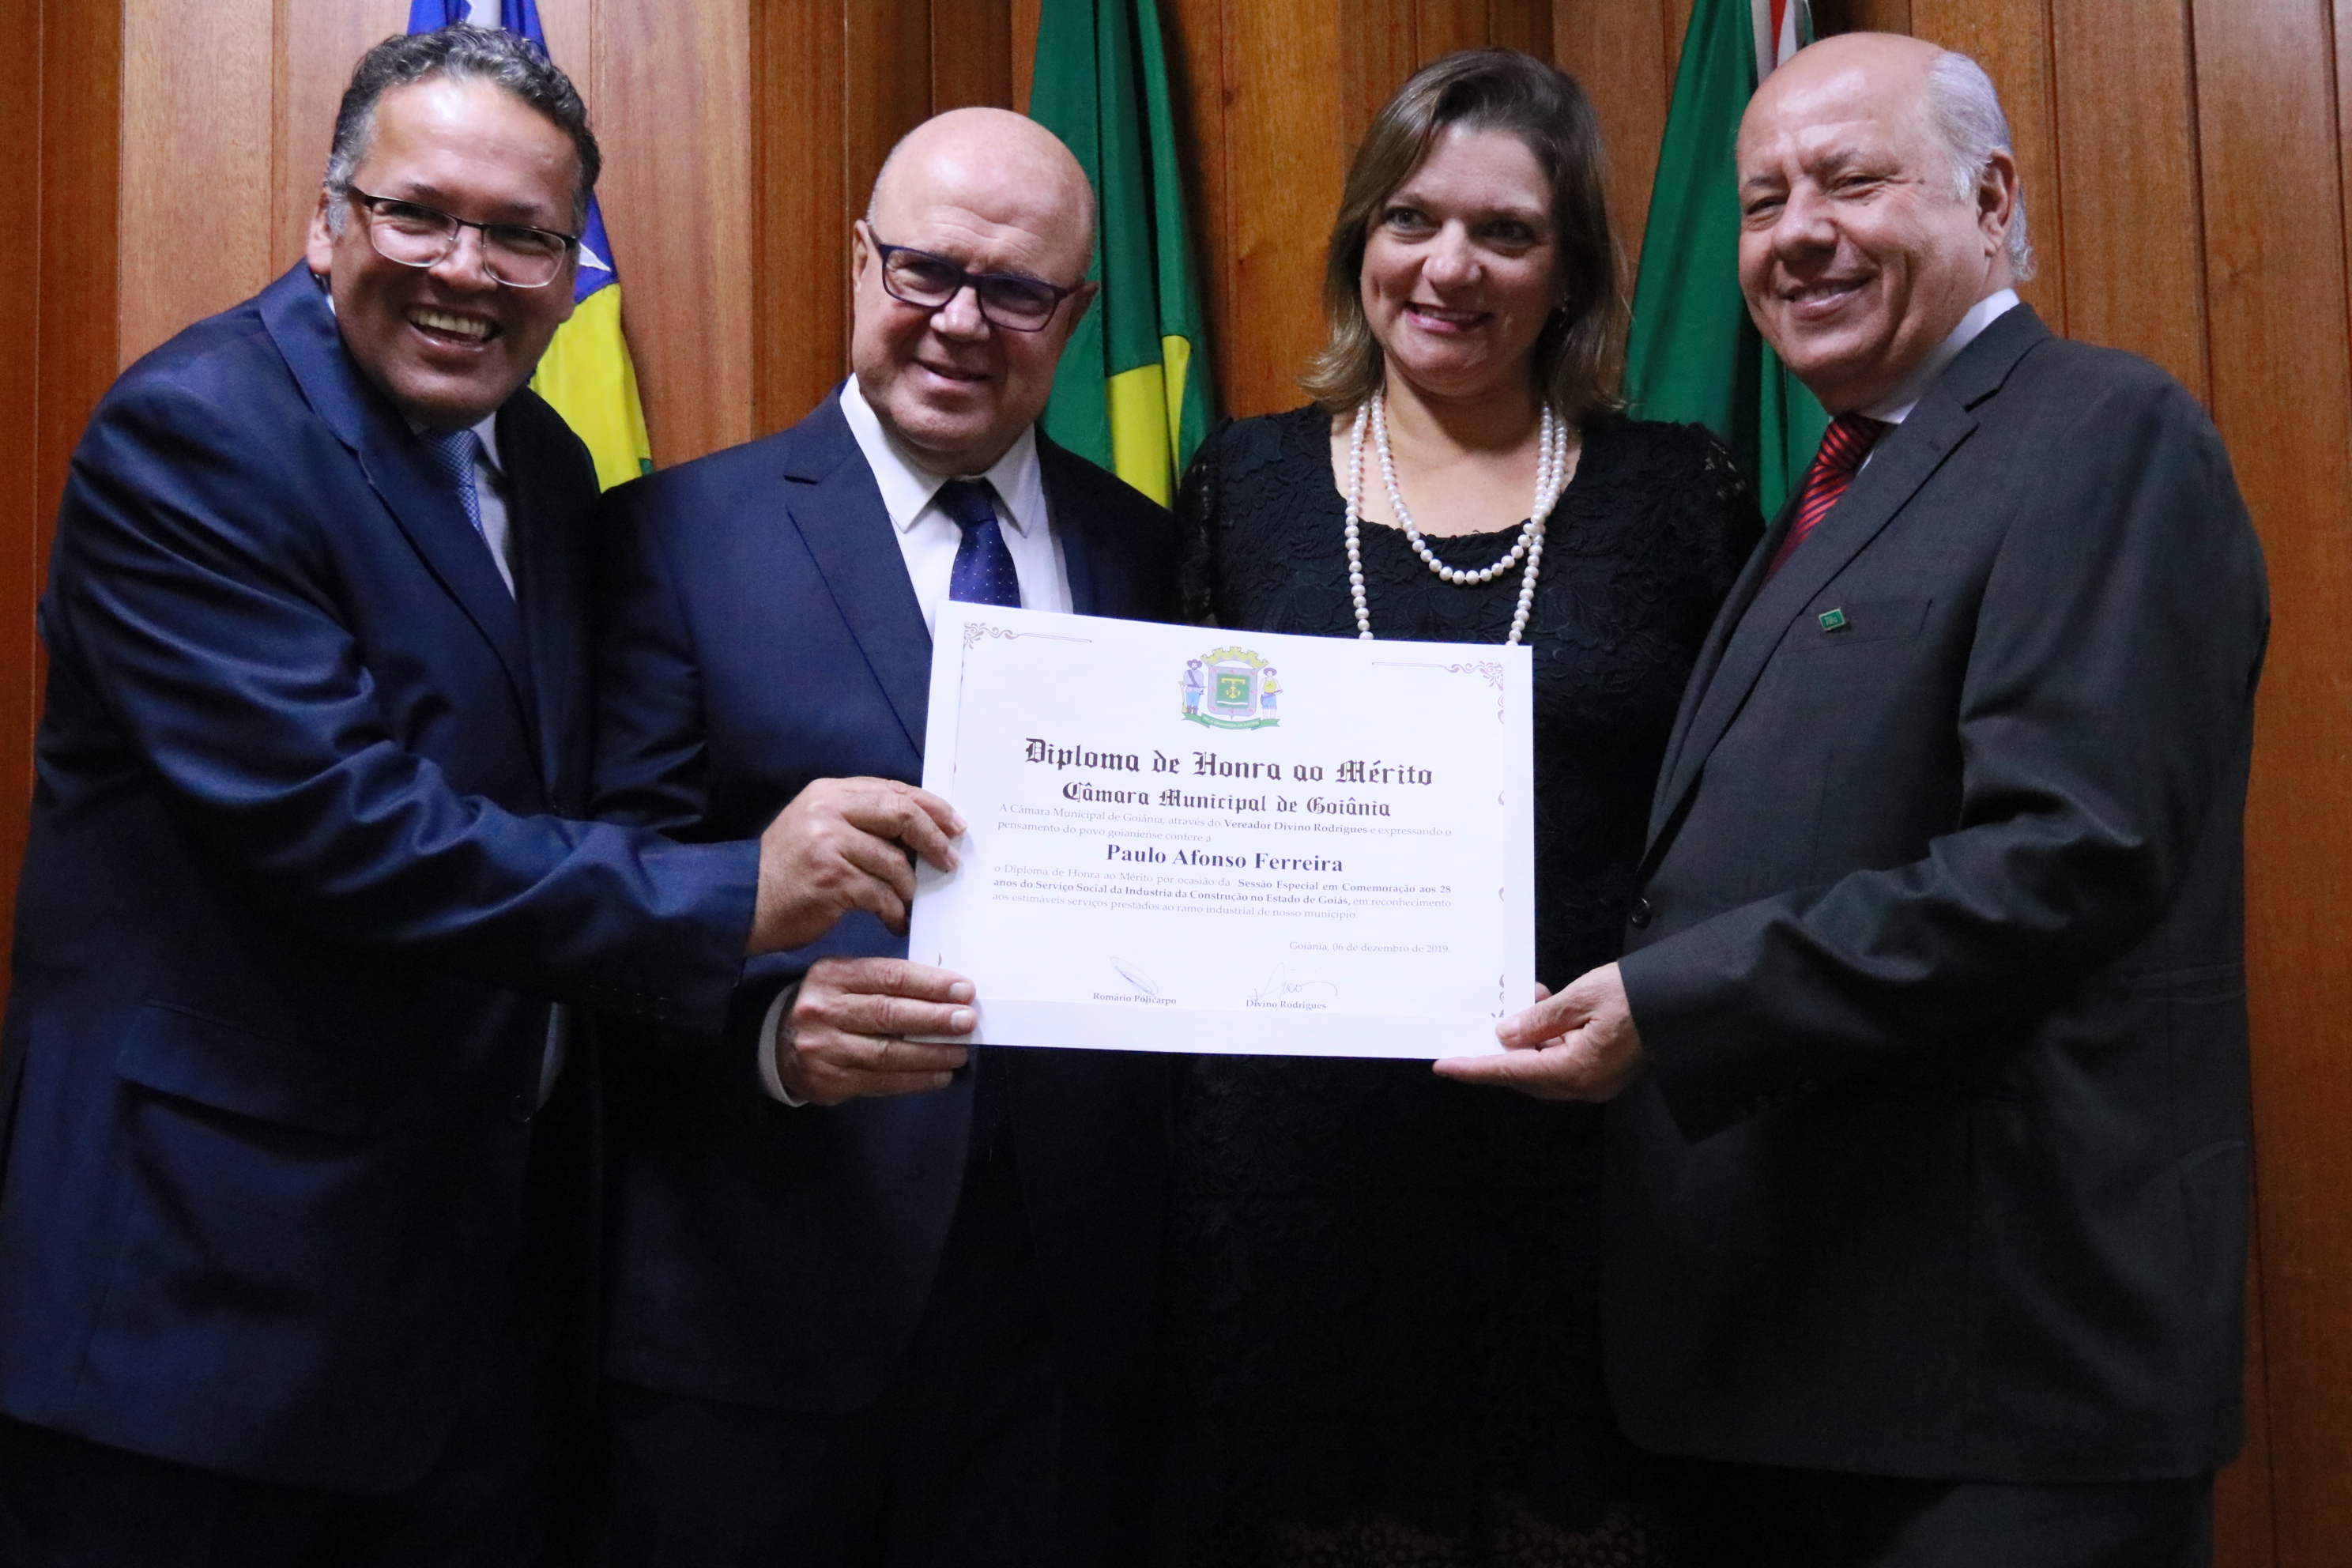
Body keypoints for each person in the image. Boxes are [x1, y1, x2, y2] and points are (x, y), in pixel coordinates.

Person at [0, 25, 959, 1567]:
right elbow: (342, 826)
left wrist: (771, 999)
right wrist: (739, 891)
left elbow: (572, 806)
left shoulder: (548, 465)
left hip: (472, 1317)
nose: (468, 268)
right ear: (327, 220)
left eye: (525, 235)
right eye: (419, 213)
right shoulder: (197, 433)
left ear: (572, 267)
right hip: (195, 1310)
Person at [1441, 34, 2267, 1568]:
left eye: (1851, 181)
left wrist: (1673, 1006)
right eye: (1762, 201)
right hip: (1798, 1365)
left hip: (2002, 1386)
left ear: (1992, 199)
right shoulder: (1843, 486)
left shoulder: (2101, 434)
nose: (1796, 234)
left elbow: (2065, 855)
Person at [1173, 50, 1760, 1567]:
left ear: (1570, 275)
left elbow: (1744, 810)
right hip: (1303, 1179)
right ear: (1359, 240)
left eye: (1507, 232)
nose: (1450, 268)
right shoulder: (1242, 487)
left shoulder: (1677, 493)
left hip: (1595, 1167)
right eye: (1412, 219)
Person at [589, 107, 1180, 1568]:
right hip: (765, 1310)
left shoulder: (1156, 555)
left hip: (1070, 1334)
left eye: (1018, 291)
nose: (963, 322)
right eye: (926, 271)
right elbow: (595, 902)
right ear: (861, 262)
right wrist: (768, 1035)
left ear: (1076, 316)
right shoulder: (670, 537)